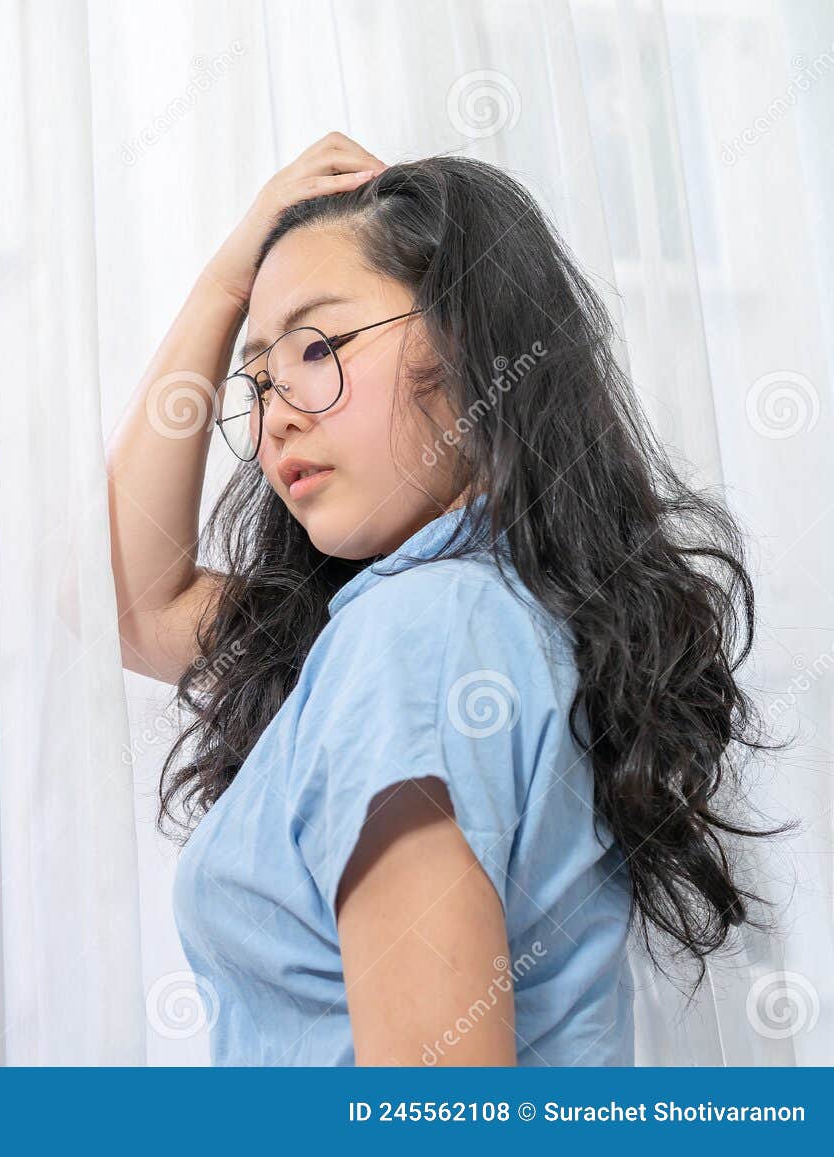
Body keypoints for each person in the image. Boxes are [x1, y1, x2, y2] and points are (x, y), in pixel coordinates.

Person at [105, 132, 784, 1065]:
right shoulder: (458, 608)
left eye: (316, 346)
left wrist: (235, 285)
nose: (276, 414)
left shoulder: (416, 634)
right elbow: (137, 609)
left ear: (469, 346)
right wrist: (230, 282)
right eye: (256, 380)